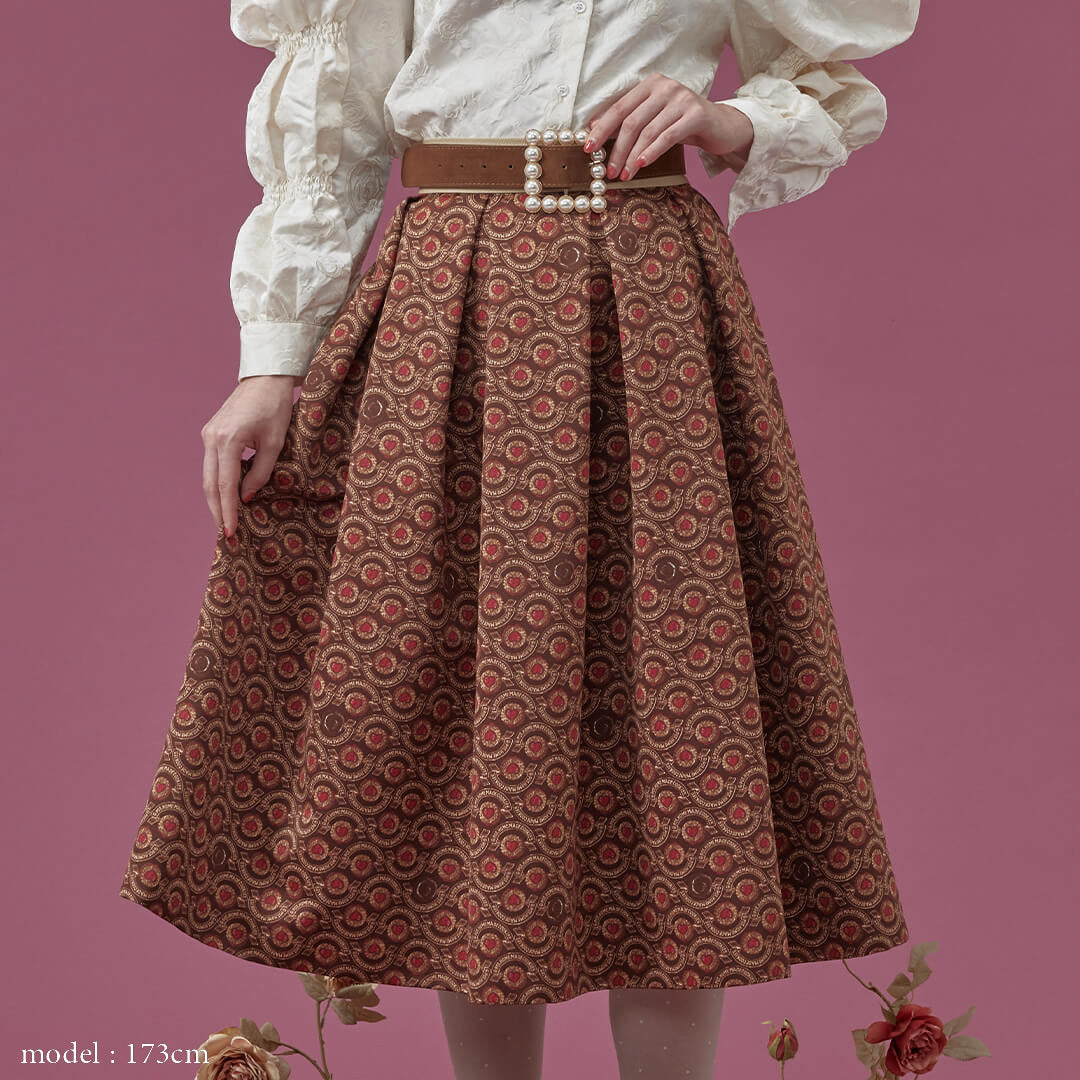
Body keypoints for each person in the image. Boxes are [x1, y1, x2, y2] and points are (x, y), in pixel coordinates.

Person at [119, 3, 921, 1078]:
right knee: (467, 714)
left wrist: (734, 119)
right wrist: (270, 360)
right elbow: (335, 122)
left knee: (678, 702)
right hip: (451, 301)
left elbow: (824, 77)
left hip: (648, 299)